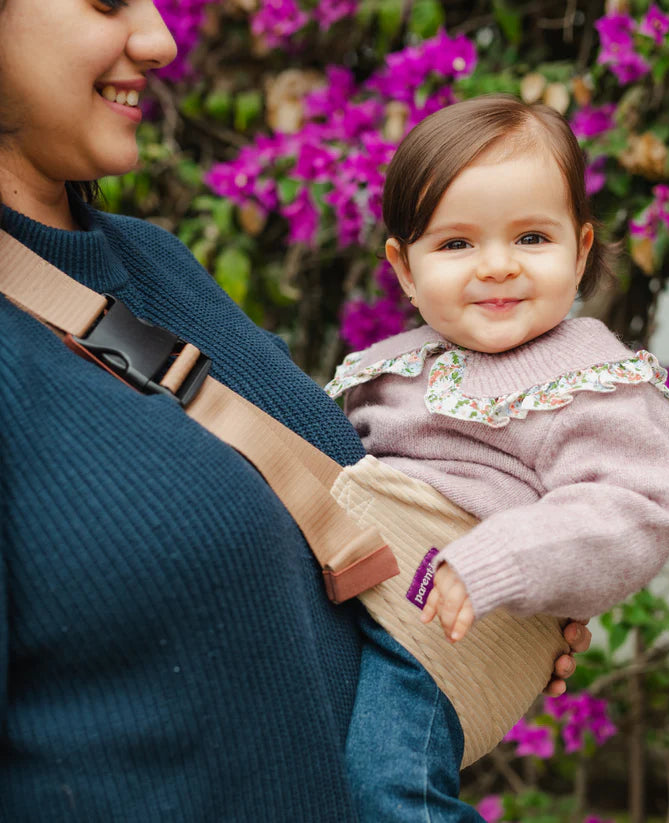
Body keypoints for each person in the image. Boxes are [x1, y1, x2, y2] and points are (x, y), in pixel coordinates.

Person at [0, 5, 587, 820]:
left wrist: (489, 592)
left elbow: (278, 556)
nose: (161, 41)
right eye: (106, 1)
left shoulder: (154, 263)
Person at [325, 95, 669, 821]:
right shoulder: (390, 365)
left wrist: (499, 558)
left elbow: (632, 509)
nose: (496, 267)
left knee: (386, 791)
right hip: (363, 591)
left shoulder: (590, 376)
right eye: (456, 244)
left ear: (580, 250)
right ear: (402, 266)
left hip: (446, 623)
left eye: (530, 237)